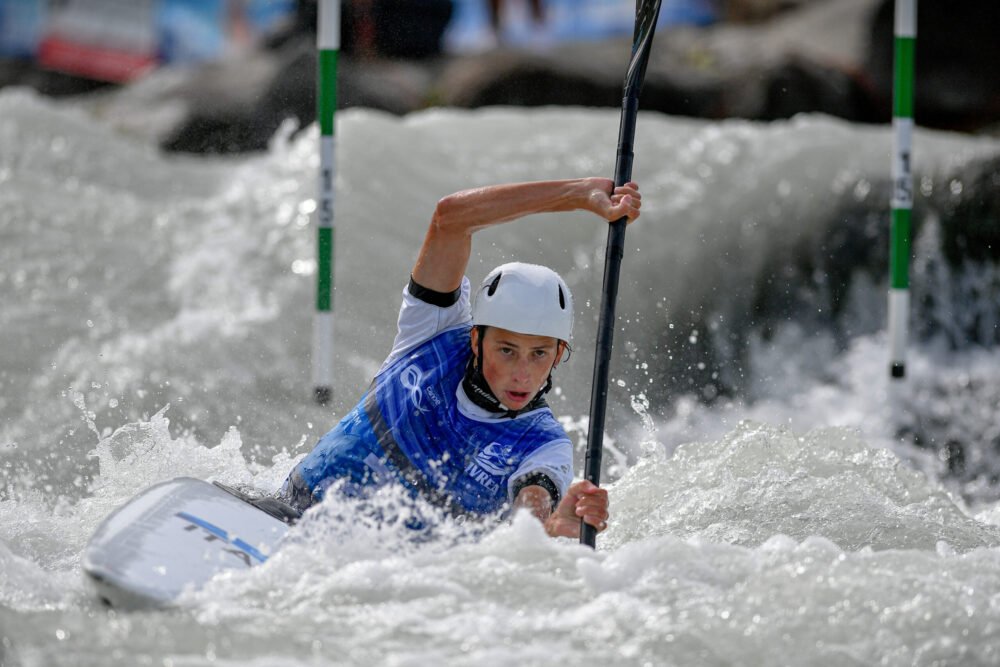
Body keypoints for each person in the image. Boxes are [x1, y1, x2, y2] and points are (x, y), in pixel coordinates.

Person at [282, 177, 642, 538]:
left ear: (559, 353)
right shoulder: (431, 331)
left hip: (376, 566)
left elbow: (531, 509)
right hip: (289, 512)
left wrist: (548, 528)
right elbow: (451, 217)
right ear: (475, 339)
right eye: (506, 350)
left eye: (539, 354)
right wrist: (577, 195)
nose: (522, 374)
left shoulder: (544, 444)